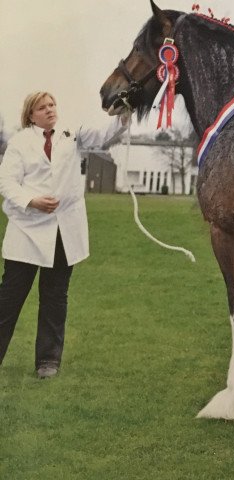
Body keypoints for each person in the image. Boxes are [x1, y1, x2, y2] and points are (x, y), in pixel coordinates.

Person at [0, 91, 128, 378]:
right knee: (10, 297)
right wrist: (31, 200)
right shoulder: (19, 143)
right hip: (26, 228)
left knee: (55, 295)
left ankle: (48, 361)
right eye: (42, 107)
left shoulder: (72, 134)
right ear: (30, 115)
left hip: (63, 230)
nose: (49, 110)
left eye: (52, 105)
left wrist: (124, 111)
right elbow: (6, 183)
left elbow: (105, 133)